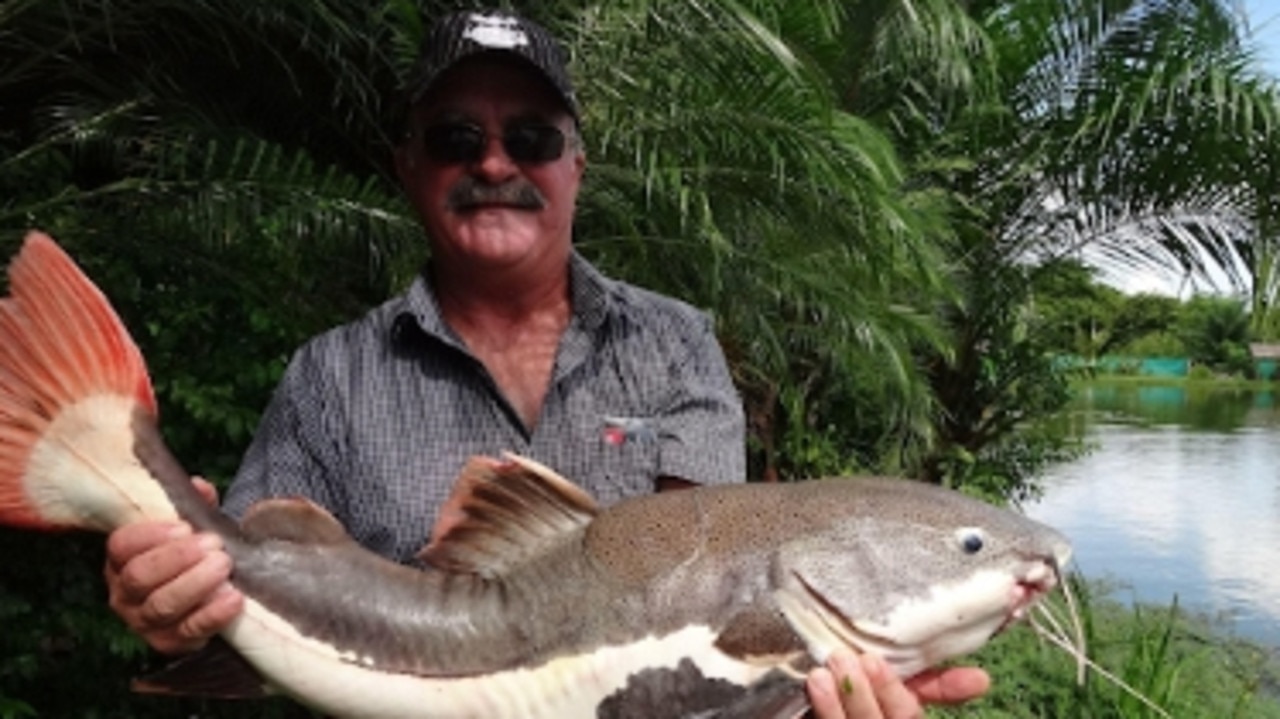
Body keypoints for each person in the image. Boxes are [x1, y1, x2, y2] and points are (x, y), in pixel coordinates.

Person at [102, 10, 988, 718]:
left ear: (574, 165)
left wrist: (802, 701)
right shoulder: (330, 375)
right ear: (407, 165)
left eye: (530, 138)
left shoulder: (677, 345)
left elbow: (699, 622)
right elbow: (245, 587)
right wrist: (174, 608)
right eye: (456, 137)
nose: (494, 162)